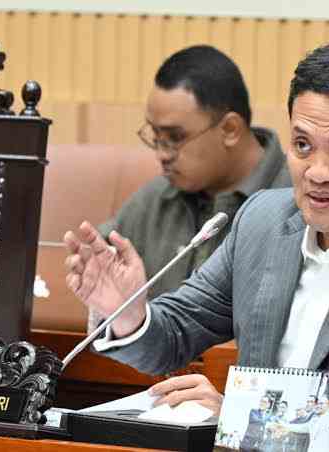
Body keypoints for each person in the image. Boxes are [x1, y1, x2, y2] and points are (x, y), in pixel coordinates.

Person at [64, 40, 329, 445]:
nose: (317, 172)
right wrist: (129, 314)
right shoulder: (262, 219)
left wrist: (242, 417)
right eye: (302, 145)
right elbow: (173, 335)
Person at [87, 44, 290, 331]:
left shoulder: (297, 200)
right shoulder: (153, 201)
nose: (162, 154)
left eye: (174, 137)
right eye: (155, 135)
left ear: (230, 129)